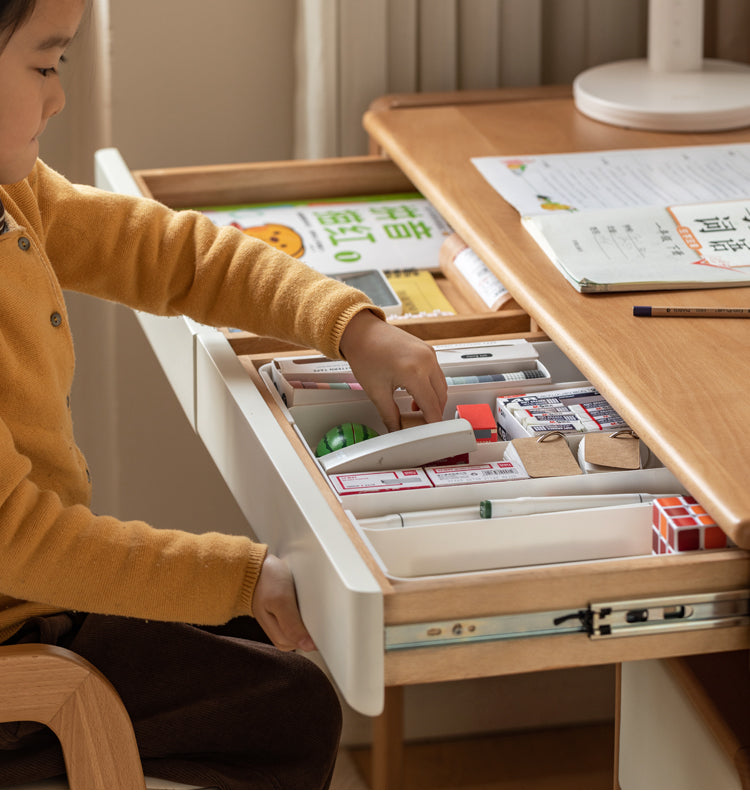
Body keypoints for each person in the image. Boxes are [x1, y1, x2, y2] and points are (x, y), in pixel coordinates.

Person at [0, 0, 447, 789]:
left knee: (277, 635)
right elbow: (24, 543)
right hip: (17, 653)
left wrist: (349, 326)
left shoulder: (15, 199)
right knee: (292, 707)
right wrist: (236, 573)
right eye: (45, 65)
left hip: (30, 597)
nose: (59, 94)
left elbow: (170, 253)